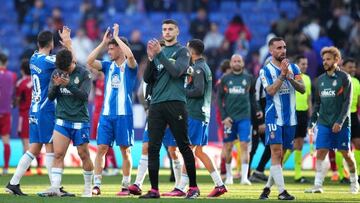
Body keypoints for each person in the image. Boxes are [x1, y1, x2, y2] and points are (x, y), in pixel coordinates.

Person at [6, 28, 71, 196]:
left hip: (34, 109)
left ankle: (13, 183)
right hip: (45, 108)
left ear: (38, 43)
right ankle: (55, 187)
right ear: (51, 44)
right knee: (50, 146)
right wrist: (67, 43)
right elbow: (69, 62)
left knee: (34, 148)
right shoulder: (48, 60)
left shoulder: (33, 58)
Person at [139, 19, 199, 199]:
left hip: (176, 103)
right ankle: (154, 190)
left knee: (183, 146)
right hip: (156, 104)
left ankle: (193, 188)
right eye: (164, 29)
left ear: (177, 31)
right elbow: (149, 79)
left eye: (170, 29)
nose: (166, 32)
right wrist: (151, 59)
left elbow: (176, 72)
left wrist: (160, 55)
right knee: (153, 147)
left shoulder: (182, 51)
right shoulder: (159, 52)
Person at [87, 23, 137, 196]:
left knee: (125, 150)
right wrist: (102, 44)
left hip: (124, 115)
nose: (109, 52)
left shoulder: (131, 67)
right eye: (108, 49)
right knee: (101, 148)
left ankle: (125, 186)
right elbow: (89, 61)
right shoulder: (108, 66)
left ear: (121, 49)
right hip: (107, 115)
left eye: (112, 48)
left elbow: (130, 55)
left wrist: (117, 37)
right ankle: (97, 185)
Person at [38, 47, 94, 197]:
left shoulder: (84, 74)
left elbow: (84, 96)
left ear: (73, 62)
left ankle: (88, 189)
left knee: (84, 155)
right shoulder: (57, 72)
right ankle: (55, 187)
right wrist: (56, 86)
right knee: (58, 154)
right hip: (62, 120)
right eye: (62, 69)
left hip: (80, 121)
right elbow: (50, 97)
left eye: (67, 69)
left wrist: (68, 84)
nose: (65, 72)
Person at [305, 46, 359, 194]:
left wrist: (340, 122)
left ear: (337, 60)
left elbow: (347, 103)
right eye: (324, 59)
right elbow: (317, 104)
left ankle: (355, 182)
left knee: (346, 153)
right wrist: (312, 123)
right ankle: (318, 185)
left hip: (340, 124)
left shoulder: (344, 78)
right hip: (324, 123)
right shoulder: (320, 81)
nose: (325, 62)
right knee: (321, 151)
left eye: (328, 59)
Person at [258, 37, 305, 200]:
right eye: (278, 48)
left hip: (290, 118)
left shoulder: (294, 67)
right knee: (276, 152)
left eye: (284, 47)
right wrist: (282, 76)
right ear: (271, 51)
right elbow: (270, 91)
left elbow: (303, 89)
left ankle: (266, 188)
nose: (283, 50)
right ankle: (282, 192)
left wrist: (290, 76)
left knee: (281, 154)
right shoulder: (265, 70)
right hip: (274, 117)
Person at [218, 54, 262, 185]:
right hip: (229, 119)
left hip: (245, 118)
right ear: (231, 64)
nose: (237, 63)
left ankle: (244, 177)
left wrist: (258, 109)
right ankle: (229, 176)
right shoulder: (225, 79)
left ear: (243, 63)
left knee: (244, 145)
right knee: (228, 146)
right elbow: (219, 99)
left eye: (239, 61)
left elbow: (253, 97)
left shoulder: (249, 78)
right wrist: (224, 116)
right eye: (234, 61)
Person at [282, 55, 312, 183]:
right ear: (297, 66)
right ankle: (278, 166)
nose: (305, 66)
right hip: (293, 113)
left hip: (303, 114)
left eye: (306, 64)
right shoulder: (292, 77)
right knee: (289, 143)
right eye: (302, 64)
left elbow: (308, 97)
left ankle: (298, 175)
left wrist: (309, 112)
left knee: (299, 144)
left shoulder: (308, 79)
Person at [15, 58, 43, 176]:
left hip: (24, 114)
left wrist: (15, 102)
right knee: (38, 140)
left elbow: (17, 100)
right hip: (37, 112)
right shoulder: (38, 80)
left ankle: (27, 170)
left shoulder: (20, 83)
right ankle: (39, 168)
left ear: (22, 70)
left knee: (26, 142)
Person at [341, 58, 360, 184]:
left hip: (353, 116)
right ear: (343, 67)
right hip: (342, 117)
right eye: (350, 67)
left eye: (354, 67)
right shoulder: (340, 81)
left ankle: (358, 174)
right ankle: (344, 175)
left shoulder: (357, 82)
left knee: (358, 144)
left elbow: (358, 101)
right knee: (342, 147)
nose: (352, 69)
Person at [0, 53, 16, 175]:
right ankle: (5, 168)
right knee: (6, 141)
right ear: (6, 62)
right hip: (6, 113)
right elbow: (14, 94)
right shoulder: (12, 76)